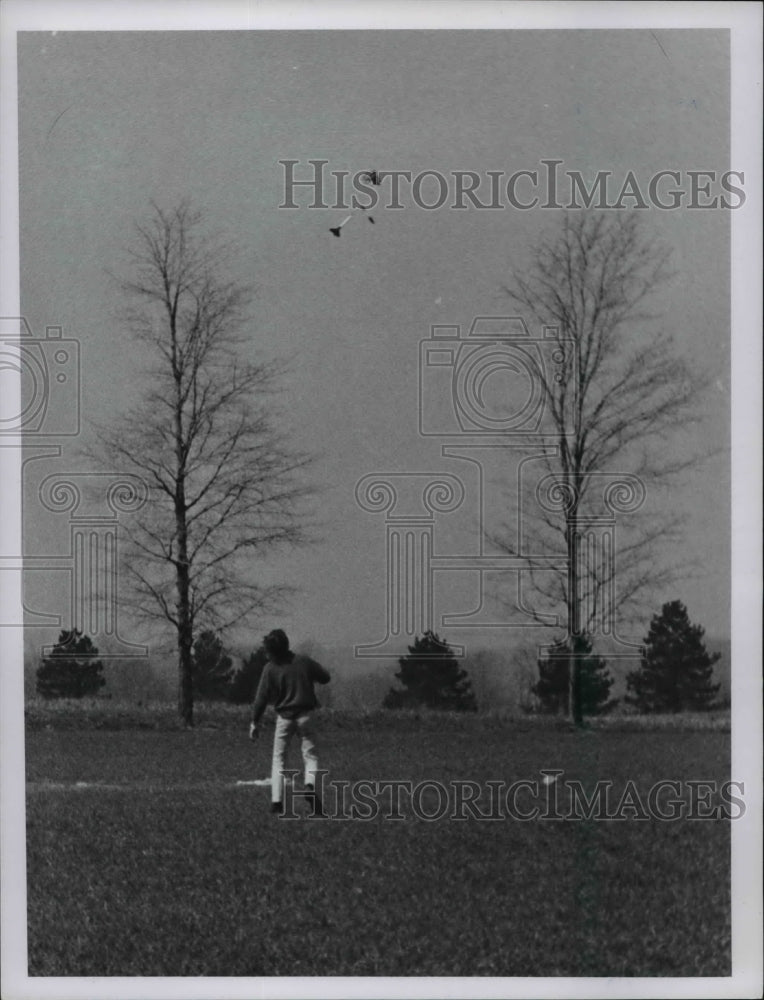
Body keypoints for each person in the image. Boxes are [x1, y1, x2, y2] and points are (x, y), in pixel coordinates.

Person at [249, 629, 330, 815]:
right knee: (311, 756)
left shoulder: (269, 669)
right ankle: (310, 787)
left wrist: (254, 722)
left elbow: (261, 698)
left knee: (279, 759)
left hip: (284, 717)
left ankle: (277, 803)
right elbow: (325, 677)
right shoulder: (303, 661)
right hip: (306, 714)